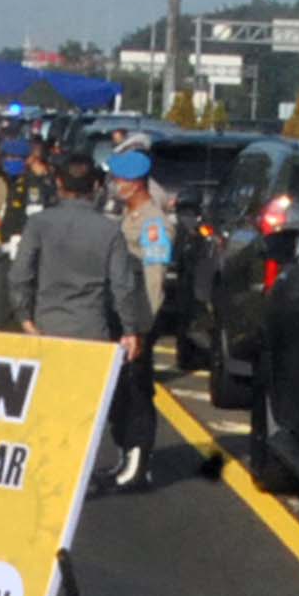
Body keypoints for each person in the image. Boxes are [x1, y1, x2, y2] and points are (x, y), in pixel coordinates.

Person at [14, 157, 149, 475]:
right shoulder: (109, 231)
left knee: (46, 406)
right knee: (84, 412)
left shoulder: (39, 224)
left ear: (58, 184)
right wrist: (130, 329)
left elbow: (20, 275)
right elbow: (123, 286)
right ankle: (76, 473)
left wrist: (24, 317)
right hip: (91, 330)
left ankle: (45, 468)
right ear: (96, 187)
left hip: (47, 327)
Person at [101, 145, 180, 484]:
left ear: (135, 184)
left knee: (137, 389)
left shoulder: (152, 222)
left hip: (139, 317)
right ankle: (124, 455)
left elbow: (154, 277)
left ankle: (139, 460)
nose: (114, 185)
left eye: (119, 179)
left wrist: (142, 329)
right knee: (121, 388)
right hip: (123, 315)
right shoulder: (128, 217)